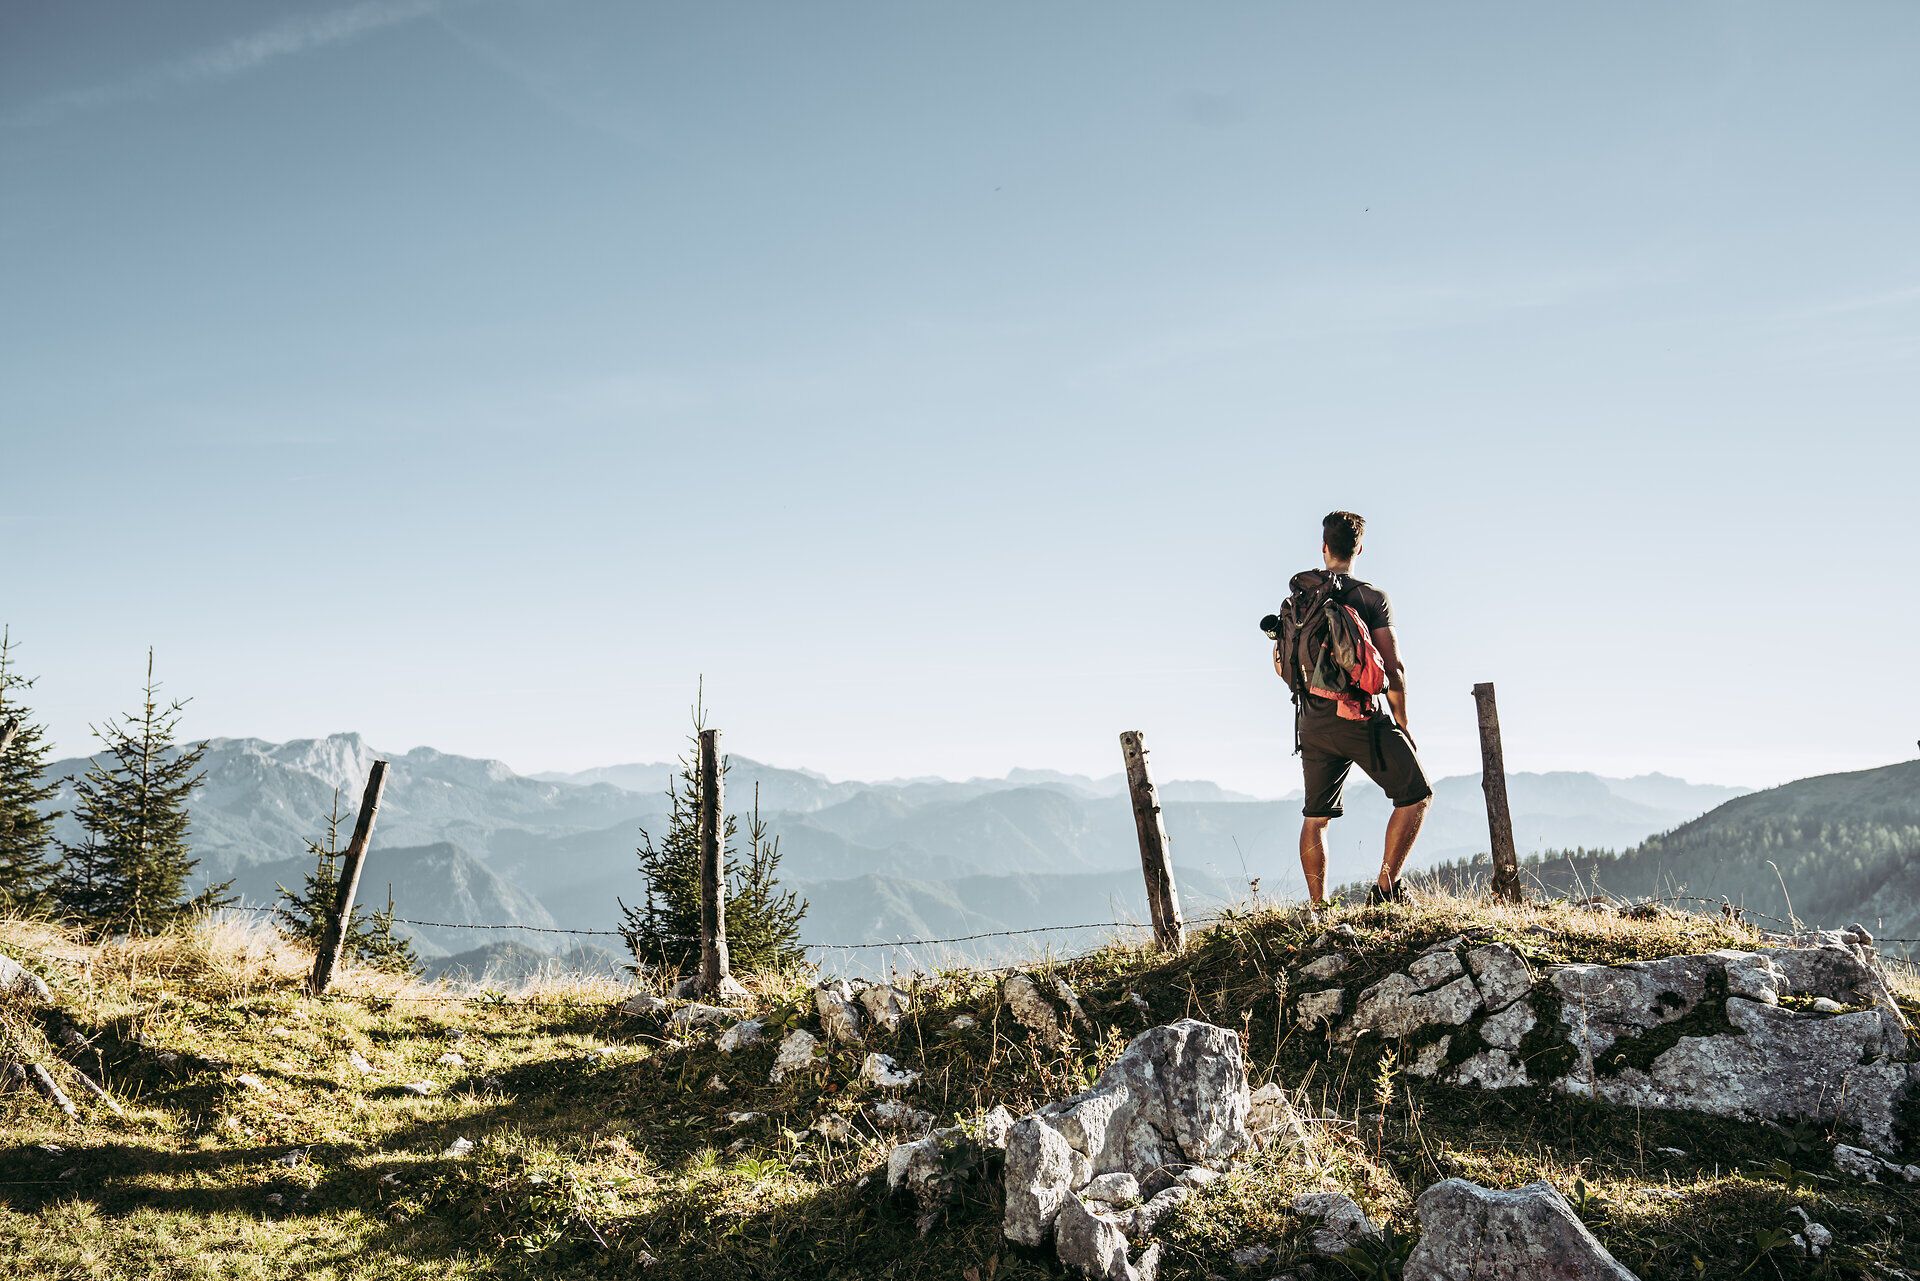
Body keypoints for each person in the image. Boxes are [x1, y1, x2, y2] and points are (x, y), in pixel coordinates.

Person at [1275, 511, 1433, 909]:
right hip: (1359, 719)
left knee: (1316, 817)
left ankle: (1318, 907)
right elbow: (1393, 668)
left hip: (1310, 721)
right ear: (1359, 549)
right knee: (1416, 795)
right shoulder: (1370, 598)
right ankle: (1386, 888)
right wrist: (1402, 722)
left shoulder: (1298, 601)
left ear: (1324, 547)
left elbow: (1281, 666)